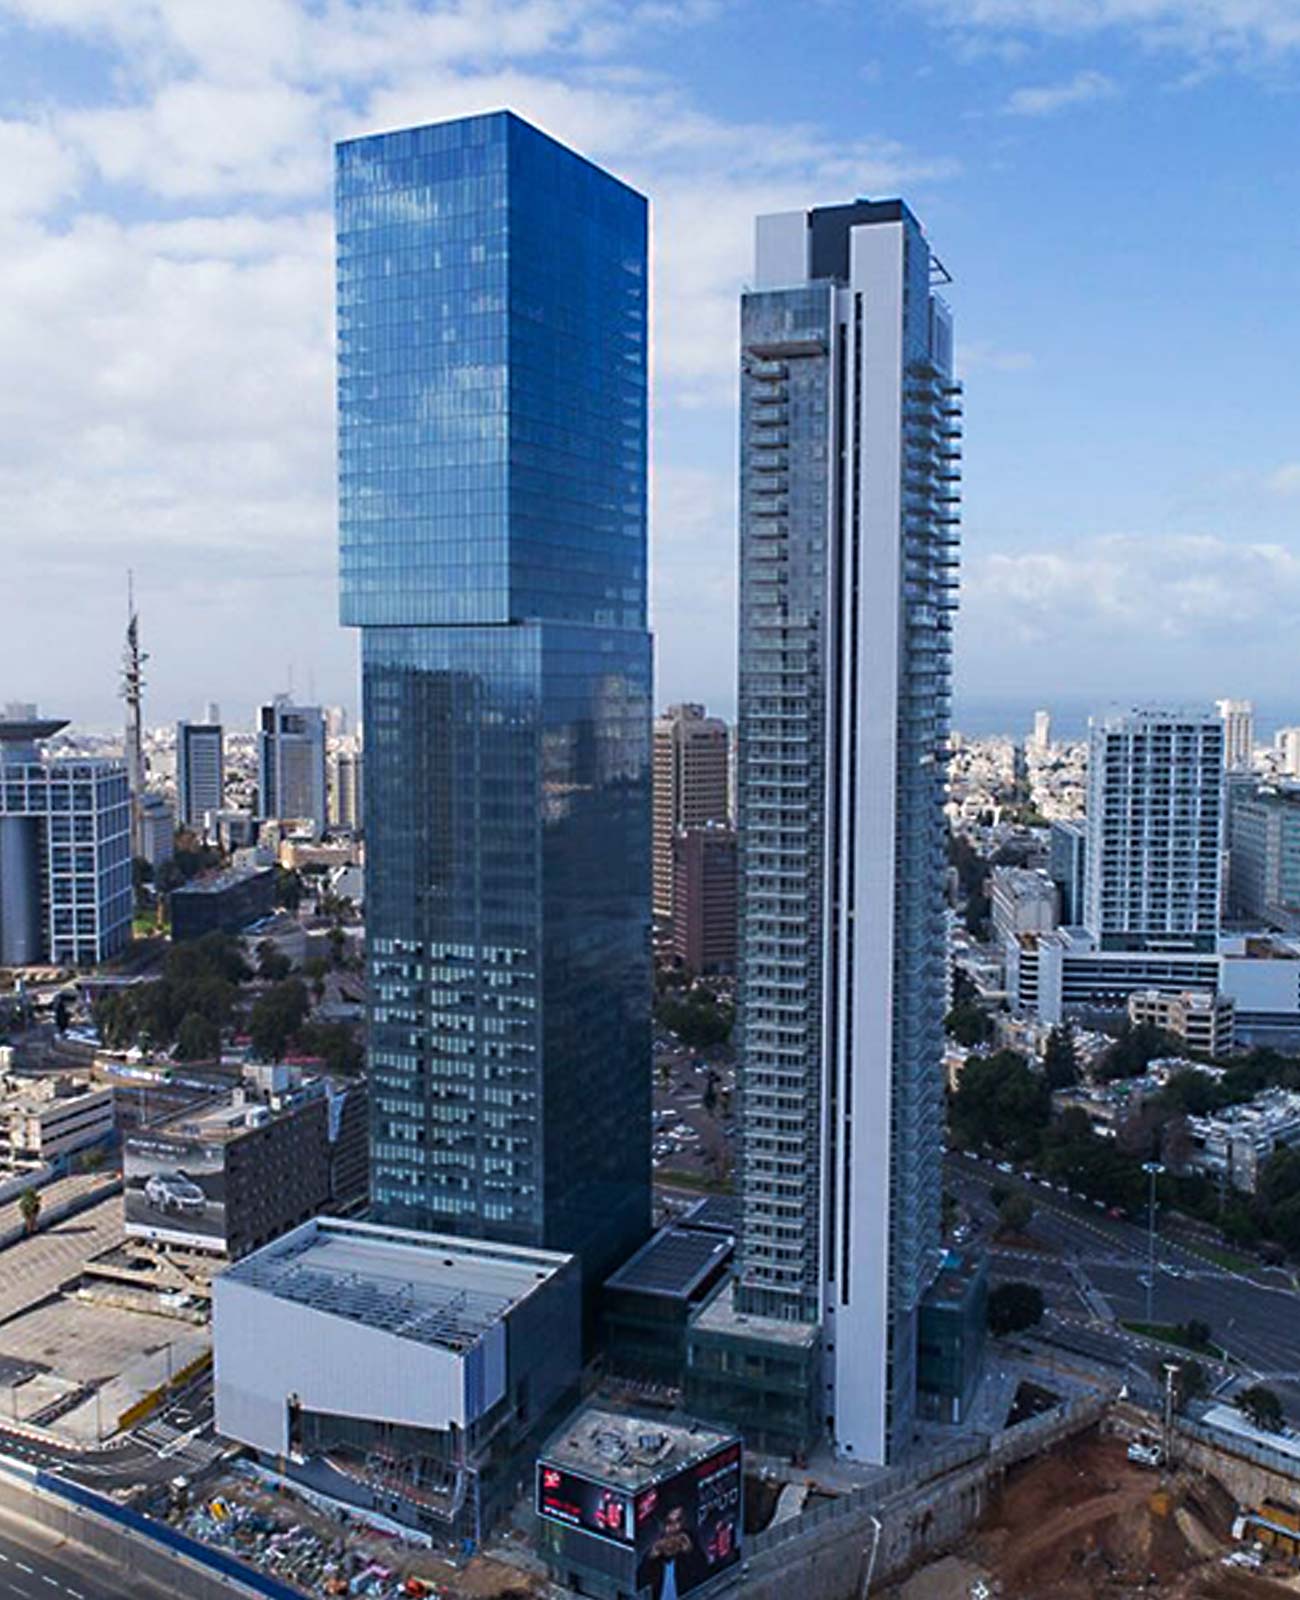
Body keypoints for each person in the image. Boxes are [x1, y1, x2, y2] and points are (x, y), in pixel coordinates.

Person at [637, 1501, 708, 1600]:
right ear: (661, 1524)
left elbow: (704, 1578)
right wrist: (650, 1559)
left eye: (678, 1520)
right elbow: (638, 1584)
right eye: (669, 1522)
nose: (674, 1528)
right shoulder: (655, 1552)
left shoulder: (690, 1544)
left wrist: (691, 1552)